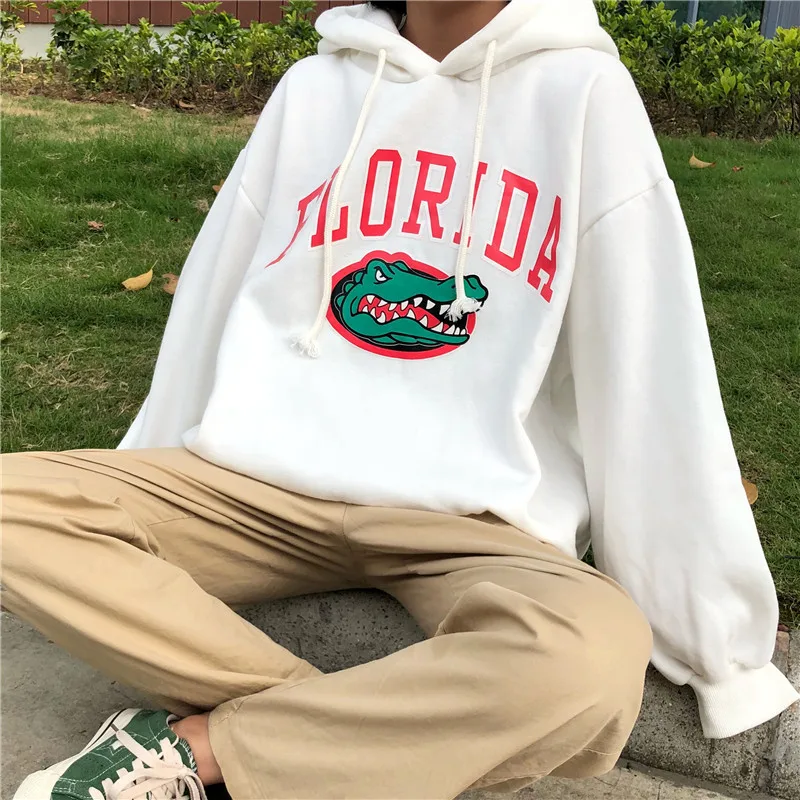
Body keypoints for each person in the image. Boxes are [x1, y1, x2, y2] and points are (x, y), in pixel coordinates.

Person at [3, 0, 798, 798]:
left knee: (589, 657)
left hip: (469, 521)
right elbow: (216, 286)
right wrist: (145, 488)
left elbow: (647, 355)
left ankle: (203, 748)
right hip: (253, 490)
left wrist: (718, 649)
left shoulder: (586, 93)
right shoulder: (313, 90)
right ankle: (351, 745)